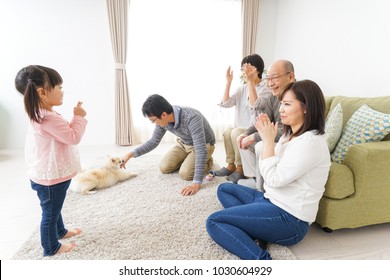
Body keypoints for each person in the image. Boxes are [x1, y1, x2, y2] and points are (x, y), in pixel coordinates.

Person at [206, 80, 331, 260]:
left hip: (290, 219)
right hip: (270, 199)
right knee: (224, 189)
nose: (281, 110)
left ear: (306, 108)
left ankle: (263, 261)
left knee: (214, 221)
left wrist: (268, 142)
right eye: (281, 103)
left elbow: (273, 179)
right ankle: (255, 231)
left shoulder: (310, 143)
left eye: (287, 104)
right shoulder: (291, 134)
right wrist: (269, 139)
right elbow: (271, 173)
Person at [14, 65, 87, 256]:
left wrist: (72, 119)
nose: (62, 91)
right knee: (51, 213)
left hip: (46, 174)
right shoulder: (47, 118)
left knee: (55, 206)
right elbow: (73, 137)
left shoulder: (41, 114)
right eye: (59, 87)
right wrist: (78, 118)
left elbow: (62, 135)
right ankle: (51, 247)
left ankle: (60, 231)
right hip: (51, 178)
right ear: (42, 92)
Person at [121, 94, 215, 196]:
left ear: (164, 115)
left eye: (153, 120)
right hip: (183, 143)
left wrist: (196, 184)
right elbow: (153, 141)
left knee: (186, 174)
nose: (154, 123)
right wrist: (129, 155)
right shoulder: (162, 120)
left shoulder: (192, 117)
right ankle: (189, 159)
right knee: (164, 167)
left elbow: (200, 149)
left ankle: (208, 161)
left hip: (203, 145)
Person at [214, 54, 274, 184]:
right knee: (227, 131)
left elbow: (255, 104)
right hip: (240, 125)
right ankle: (231, 165)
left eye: (248, 68)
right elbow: (226, 103)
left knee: (236, 132)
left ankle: (240, 169)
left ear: (257, 70)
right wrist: (228, 82)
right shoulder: (242, 88)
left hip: (254, 127)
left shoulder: (266, 88)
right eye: (243, 69)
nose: (244, 72)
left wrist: (251, 82)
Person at [237, 60, 295, 189]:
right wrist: (247, 134)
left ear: (290, 76)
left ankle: (261, 190)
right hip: (277, 135)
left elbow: (288, 131)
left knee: (260, 145)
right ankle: (255, 179)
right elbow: (263, 119)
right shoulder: (275, 94)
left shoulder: (297, 96)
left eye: (274, 78)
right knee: (242, 138)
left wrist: (254, 137)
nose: (270, 83)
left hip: (289, 140)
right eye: (268, 78)